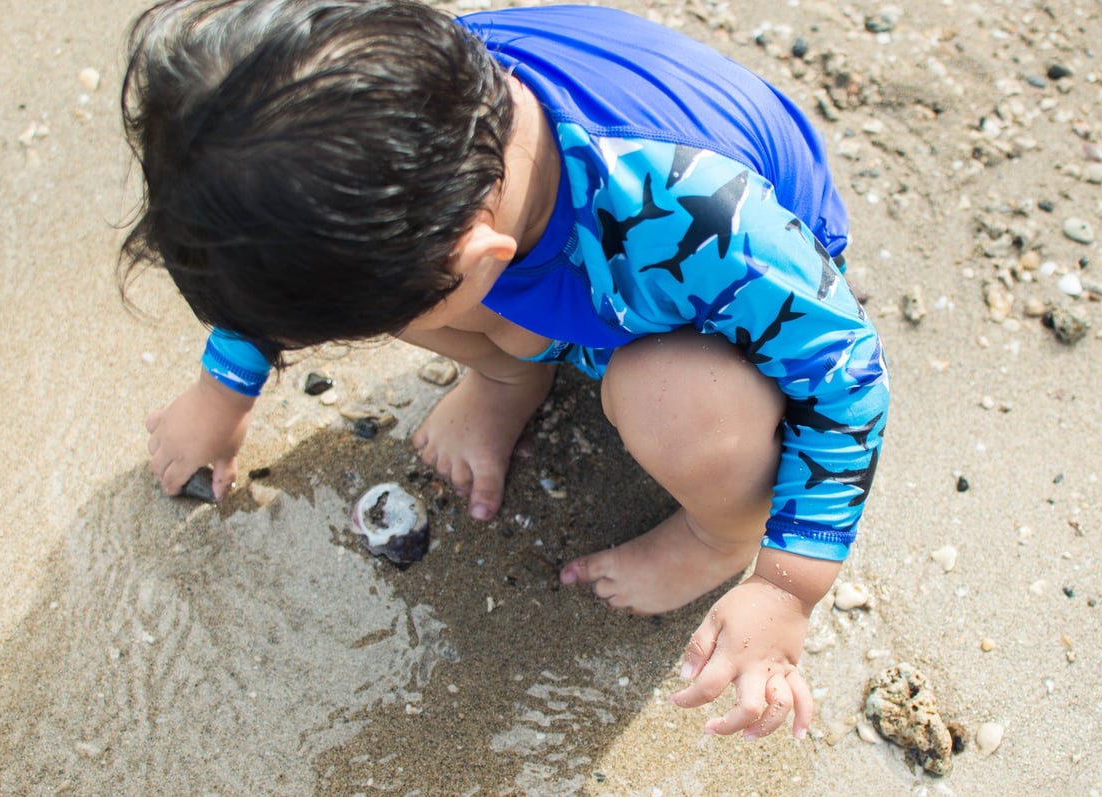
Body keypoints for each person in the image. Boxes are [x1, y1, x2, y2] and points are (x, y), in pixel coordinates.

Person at [121, 0, 889, 741]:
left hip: (696, 303)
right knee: (376, 284)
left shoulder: (702, 216)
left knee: (673, 401)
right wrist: (223, 386)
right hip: (543, 260)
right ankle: (507, 378)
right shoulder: (392, 107)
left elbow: (844, 372)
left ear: (477, 263)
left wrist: (787, 586)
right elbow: (274, 238)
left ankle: (717, 532)